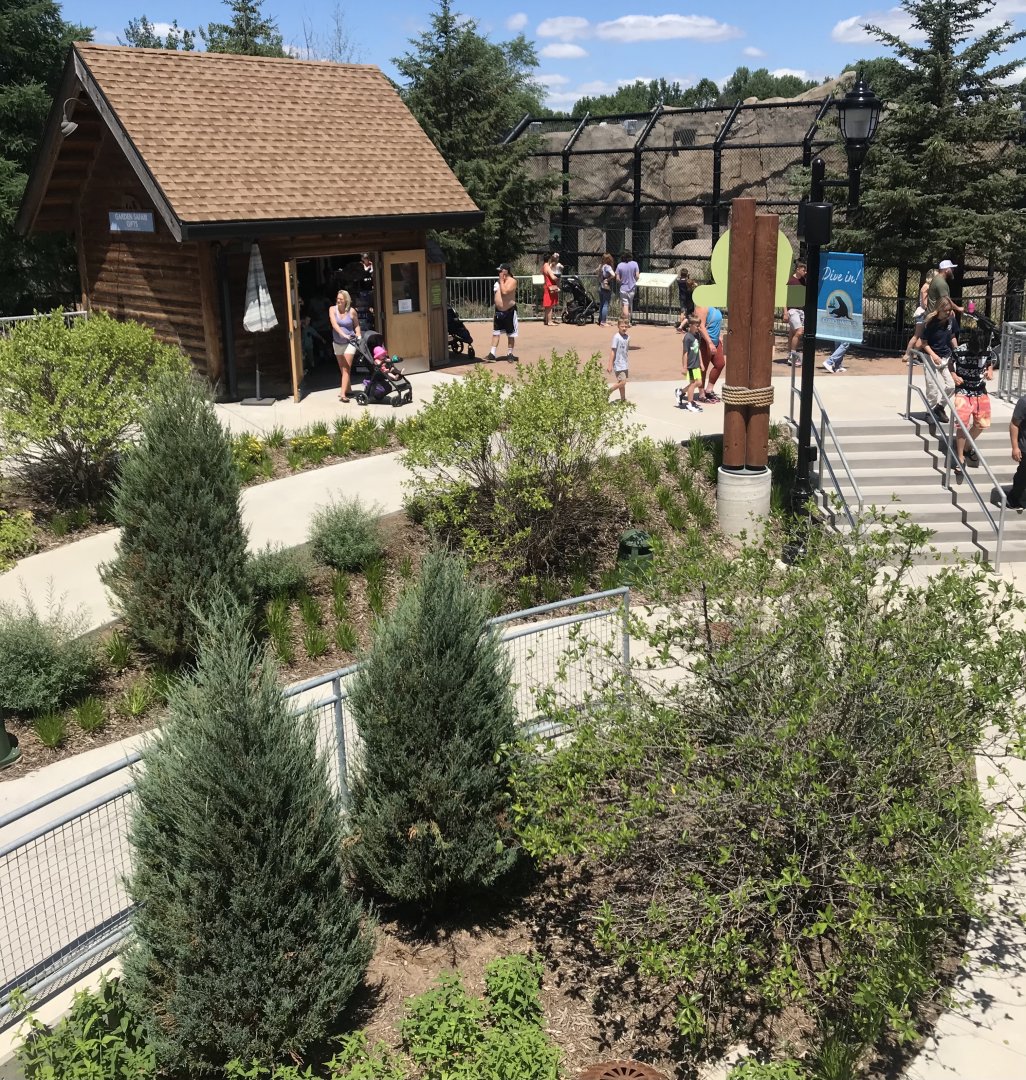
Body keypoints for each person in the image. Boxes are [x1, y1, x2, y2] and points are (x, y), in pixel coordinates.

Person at [950, 327, 994, 477]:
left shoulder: (987, 350)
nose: (979, 352)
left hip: (980, 390)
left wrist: (989, 370)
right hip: (963, 390)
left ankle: (967, 446)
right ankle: (960, 457)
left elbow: (989, 362)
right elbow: (950, 364)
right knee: (962, 423)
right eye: (977, 350)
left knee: (982, 423)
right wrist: (954, 375)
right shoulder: (960, 350)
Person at [910, 296, 958, 423]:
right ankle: (929, 412)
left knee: (951, 385)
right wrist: (933, 355)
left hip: (946, 356)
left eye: (950, 310)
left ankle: (940, 407)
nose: (948, 313)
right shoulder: (931, 322)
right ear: (939, 309)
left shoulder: (951, 320)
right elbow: (924, 342)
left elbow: (952, 336)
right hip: (930, 356)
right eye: (946, 310)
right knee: (932, 387)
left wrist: (957, 350)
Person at [329, 289, 361, 402]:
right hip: (337, 342)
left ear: (346, 300)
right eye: (337, 298)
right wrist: (343, 335)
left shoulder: (352, 311)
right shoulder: (332, 309)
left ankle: (343, 394)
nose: (338, 300)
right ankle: (349, 389)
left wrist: (358, 335)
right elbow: (334, 324)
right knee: (342, 368)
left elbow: (356, 325)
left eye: (341, 299)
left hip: (350, 342)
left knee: (346, 368)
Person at [693, 302, 724, 403]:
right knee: (702, 368)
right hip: (704, 341)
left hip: (715, 341)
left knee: (720, 364)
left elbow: (715, 324)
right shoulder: (702, 306)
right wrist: (709, 342)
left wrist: (719, 336)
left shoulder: (716, 306)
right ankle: (701, 394)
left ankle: (709, 390)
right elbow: (700, 326)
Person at [487, 264, 518, 361]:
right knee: (496, 332)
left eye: (501, 271)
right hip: (498, 311)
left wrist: (501, 280)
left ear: (506, 271)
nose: (499, 273)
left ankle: (510, 353)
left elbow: (504, 292)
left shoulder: (512, 281)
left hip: (509, 311)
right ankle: (492, 353)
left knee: (510, 334)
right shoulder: (498, 281)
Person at [675, 314, 704, 412]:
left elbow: (698, 349)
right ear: (691, 325)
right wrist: (684, 367)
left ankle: (681, 392)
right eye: (696, 325)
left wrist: (701, 363)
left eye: (699, 325)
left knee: (699, 382)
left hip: (696, 364)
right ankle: (690, 403)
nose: (698, 327)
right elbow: (685, 353)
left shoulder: (697, 335)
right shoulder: (687, 337)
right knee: (693, 383)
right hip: (690, 364)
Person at [782, 261, 807, 366]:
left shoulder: (803, 281)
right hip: (792, 310)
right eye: (803, 270)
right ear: (797, 269)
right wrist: (785, 312)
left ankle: (789, 356)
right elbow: (784, 297)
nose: (805, 272)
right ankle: (793, 356)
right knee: (799, 332)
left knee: (792, 333)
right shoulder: (791, 281)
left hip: (801, 310)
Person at [1009, 395, 1026, 510]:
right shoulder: (1024, 402)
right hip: (1025, 447)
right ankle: (1014, 499)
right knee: (1023, 474)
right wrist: (1015, 447)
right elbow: (1014, 424)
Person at [608, 317, 630, 401]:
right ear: (618, 326)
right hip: (618, 363)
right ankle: (609, 391)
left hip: (625, 363)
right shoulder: (616, 337)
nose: (624, 328)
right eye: (622, 326)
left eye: (626, 326)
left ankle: (623, 399)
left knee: (622, 383)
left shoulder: (627, 337)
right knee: (623, 382)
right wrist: (610, 364)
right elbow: (613, 351)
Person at [615, 251, 640, 321]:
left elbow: (617, 278)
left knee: (625, 304)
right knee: (630, 303)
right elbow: (637, 276)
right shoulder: (635, 264)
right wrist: (633, 280)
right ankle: (629, 319)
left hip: (623, 287)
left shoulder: (619, 265)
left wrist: (621, 281)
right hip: (632, 287)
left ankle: (626, 320)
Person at [597, 253, 615, 325]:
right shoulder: (608, 267)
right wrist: (608, 279)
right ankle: (603, 321)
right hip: (606, 287)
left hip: (600, 286)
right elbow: (613, 275)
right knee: (605, 304)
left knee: (601, 304)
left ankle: (600, 319)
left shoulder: (600, 266)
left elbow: (597, 274)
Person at [542, 252, 560, 326]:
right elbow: (552, 277)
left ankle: (547, 320)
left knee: (547, 305)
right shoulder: (547, 267)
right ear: (549, 259)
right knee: (550, 305)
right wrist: (558, 278)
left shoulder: (544, 266)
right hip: (550, 286)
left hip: (547, 286)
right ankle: (550, 321)